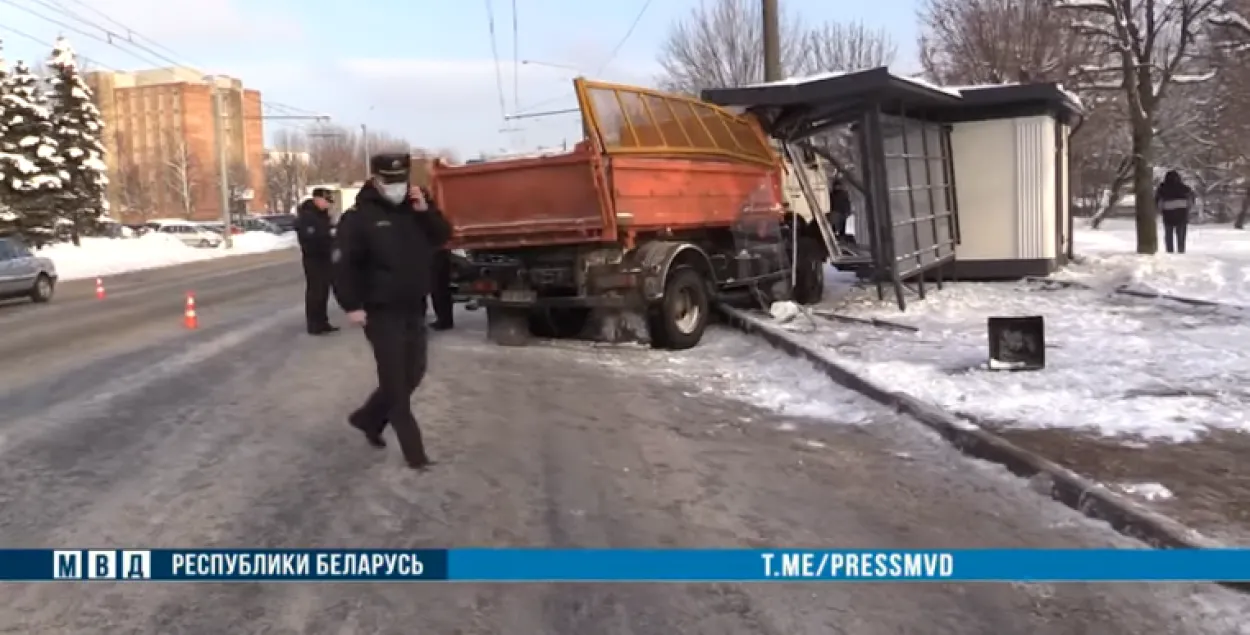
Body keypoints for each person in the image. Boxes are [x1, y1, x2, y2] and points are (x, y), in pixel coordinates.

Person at [332, 153, 451, 470]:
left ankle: (367, 419)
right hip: (379, 310)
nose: (397, 187)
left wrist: (426, 212)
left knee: (414, 372)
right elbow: (343, 266)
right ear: (376, 180)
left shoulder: (416, 208)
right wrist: (352, 305)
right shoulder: (358, 217)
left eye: (401, 180)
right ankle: (416, 456)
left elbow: (443, 236)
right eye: (390, 181)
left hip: (414, 305)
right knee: (396, 383)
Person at [294, 188, 338, 335]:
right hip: (313, 259)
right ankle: (313, 324)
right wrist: (327, 237)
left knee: (323, 291)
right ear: (317, 199)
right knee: (315, 291)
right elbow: (309, 238)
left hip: (325, 257)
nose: (328, 205)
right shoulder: (307, 216)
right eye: (326, 201)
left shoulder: (322, 216)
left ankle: (322, 322)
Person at [425, 186, 456, 331]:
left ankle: (443, 320)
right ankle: (445, 319)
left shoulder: (426, 213)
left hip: (434, 253)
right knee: (441, 289)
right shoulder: (434, 211)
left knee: (437, 289)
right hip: (439, 253)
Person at [1156, 170, 1196, 254]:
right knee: (1181, 233)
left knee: (1168, 233)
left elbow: (1158, 201)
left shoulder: (1162, 188)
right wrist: (1188, 209)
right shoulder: (1185, 188)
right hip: (1181, 213)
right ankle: (1181, 250)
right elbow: (1191, 200)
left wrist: (1160, 210)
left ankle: (1169, 250)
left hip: (1168, 214)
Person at [828, 175, 853, 243]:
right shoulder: (841, 194)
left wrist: (847, 212)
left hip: (838, 213)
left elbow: (847, 203)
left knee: (837, 227)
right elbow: (847, 203)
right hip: (839, 213)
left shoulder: (833, 194)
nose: (837, 187)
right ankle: (840, 238)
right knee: (840, 227)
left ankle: (838, 238)